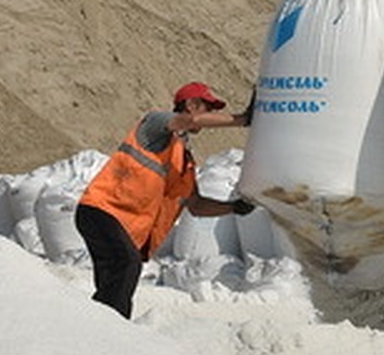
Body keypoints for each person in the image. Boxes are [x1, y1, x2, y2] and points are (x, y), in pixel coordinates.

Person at [76, 81, 255, 319]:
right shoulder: (155, 125)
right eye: (208, 107)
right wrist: (243, 119)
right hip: (102, 210)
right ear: (191, 105)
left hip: (122, 225)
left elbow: (196, 206)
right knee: (127, 265)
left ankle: (95, 329)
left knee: (115, 282)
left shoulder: (183, 161)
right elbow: (192, 121)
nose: (211, 113)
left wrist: (233, 207)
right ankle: (113, 331)